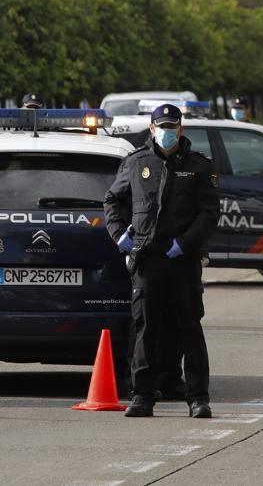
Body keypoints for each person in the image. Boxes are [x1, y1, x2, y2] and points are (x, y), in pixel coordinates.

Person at [104, 103, 218, 418]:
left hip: (182, 259)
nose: (167, 132)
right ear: (153, 129)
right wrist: (119, 236)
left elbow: (209, 213)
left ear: (181, 129)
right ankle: (141, 395)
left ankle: (198, 397)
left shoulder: (199, 166)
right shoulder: (136, 162)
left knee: (189, 328)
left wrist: (186, 243)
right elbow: (113, 200)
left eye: (172, 126)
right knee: (144, 327)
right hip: (147, 259)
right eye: (162, 126)